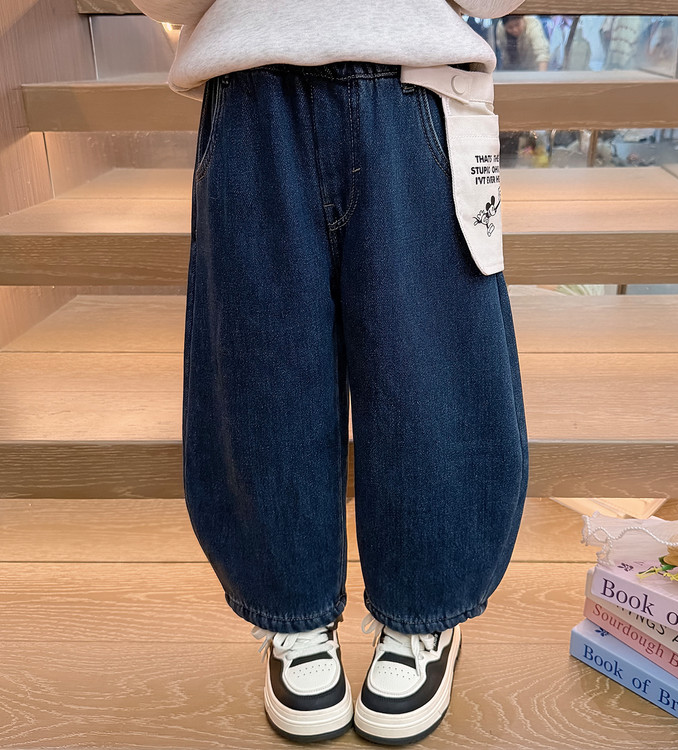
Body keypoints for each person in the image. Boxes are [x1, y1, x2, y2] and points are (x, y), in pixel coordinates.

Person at [131, 0, 530, 745]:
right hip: (250, 91)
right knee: (261, 371)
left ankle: (423, 613)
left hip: (414, 90)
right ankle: (294, 615)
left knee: (428, 374)